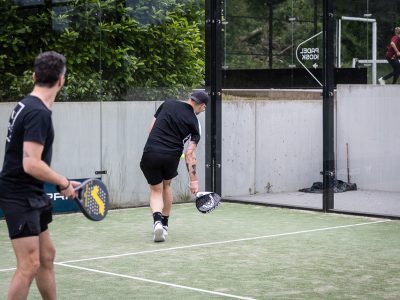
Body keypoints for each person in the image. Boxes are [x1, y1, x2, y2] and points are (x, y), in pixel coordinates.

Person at [0, 51, 80, 300]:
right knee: (29, 265)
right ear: (61, 80)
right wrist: (63, 182)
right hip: (19, 194)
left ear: (34, 76)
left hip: (31, 193)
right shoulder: (38, 113)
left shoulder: (27, 104)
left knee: (46, 256)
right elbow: (31, 164)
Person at [140, 90, 209, 242]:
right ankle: (164, 225)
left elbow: (150, 130)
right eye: (204, 109)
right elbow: (190, 155)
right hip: (171, 157)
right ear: (202, 105)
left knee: (155, 191)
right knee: (166, 187)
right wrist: (194, 180)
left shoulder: (167, 104)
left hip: (151, 152)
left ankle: (157, 221)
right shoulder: (195, 123)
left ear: (190, 98)